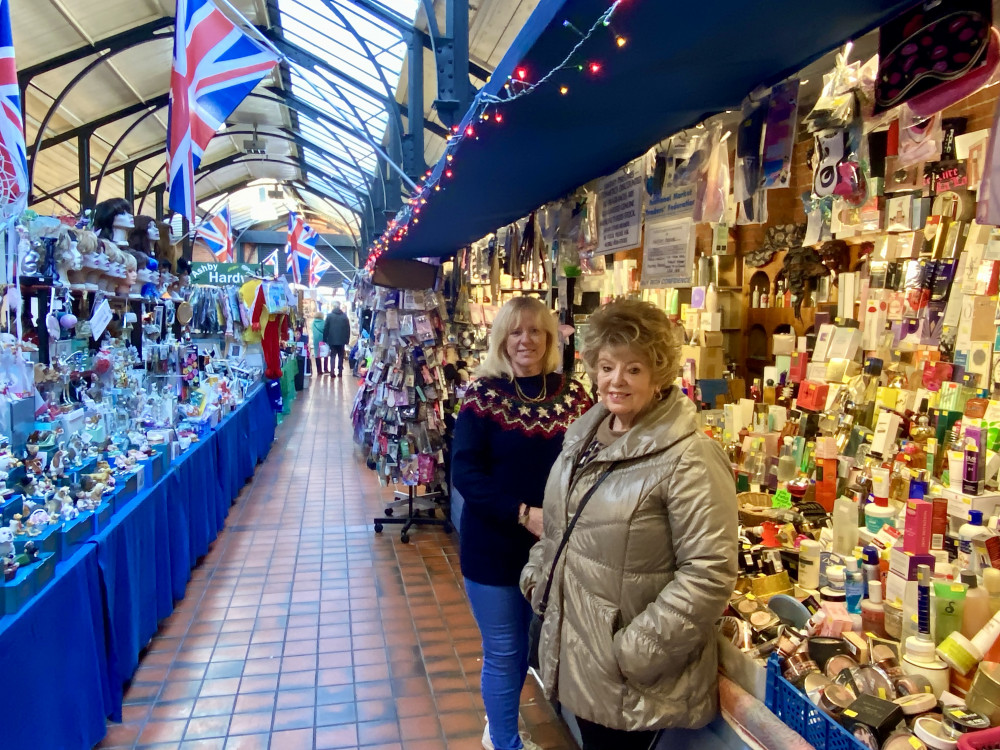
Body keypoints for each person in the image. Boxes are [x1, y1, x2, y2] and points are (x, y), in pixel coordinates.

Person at [520, 298, 738, 750]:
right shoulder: (584, 436)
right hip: (580, 654)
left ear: (658, 376)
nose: (615, 381)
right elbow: (561, 525)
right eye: (606, 367)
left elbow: (709, 572)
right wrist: (537, 576)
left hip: (627, 673)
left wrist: (632, 652)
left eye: (633, 369)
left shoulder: (689, 456)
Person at [452, 297, 591, 750]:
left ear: (549, 339)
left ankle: (501, 726)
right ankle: (505, 742)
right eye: (515, 332)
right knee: (505, 651)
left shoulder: (573, 395)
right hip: (493, 548)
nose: (525, 340)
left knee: (534, 650)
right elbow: (465, 473)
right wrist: (522, 513)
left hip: (555, 549)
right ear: (502, 339)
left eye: (535, 331)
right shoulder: (482, 395)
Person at [322, 302, 351, 377]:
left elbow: (326, 328)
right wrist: (347, 340)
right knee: (341, 355)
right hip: (342, 340)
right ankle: (340, 372)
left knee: (333, 356)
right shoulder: (344, 316)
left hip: (332, 339)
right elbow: (348, 329)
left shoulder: (329, 316)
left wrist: (324, 338)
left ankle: (332, 372)